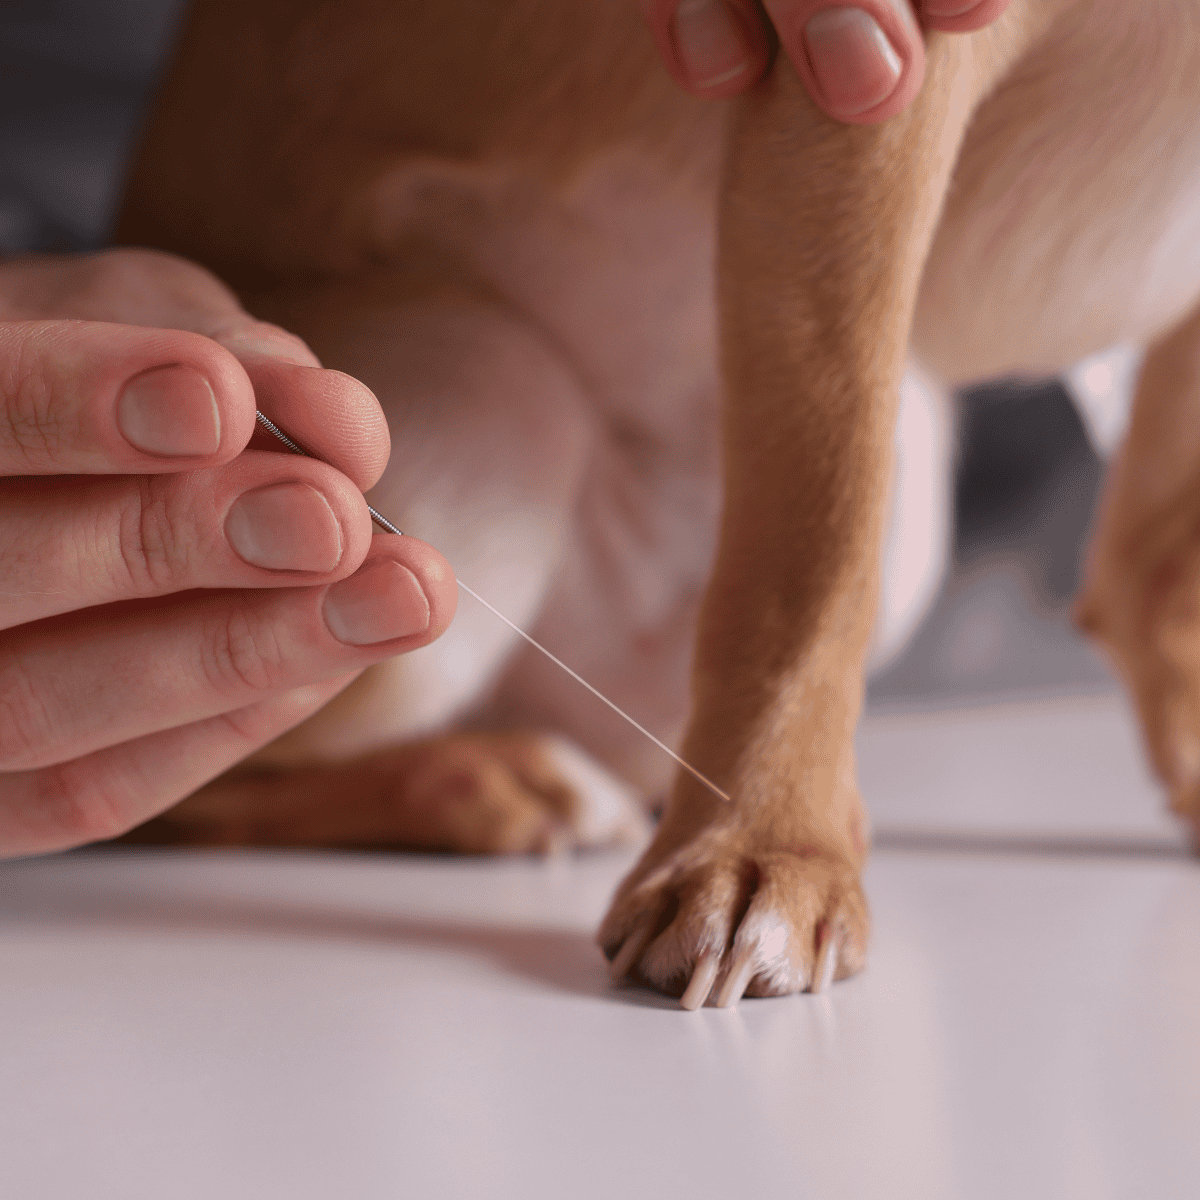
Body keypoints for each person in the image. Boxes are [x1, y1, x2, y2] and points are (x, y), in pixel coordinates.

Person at [0, 0, 1010, 858]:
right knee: (433, 459)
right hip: (347, 330)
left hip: (969, 651)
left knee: (892, 505)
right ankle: (259, 786)